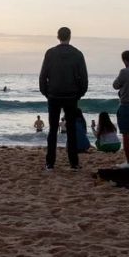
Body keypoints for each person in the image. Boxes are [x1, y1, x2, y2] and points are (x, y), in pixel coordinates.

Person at [39, 27, 88, 171]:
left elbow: (43, 76)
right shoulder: (77, 54)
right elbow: (84, 78)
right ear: (70, 37)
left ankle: (50, 163)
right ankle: (74, 163)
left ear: (58, 36)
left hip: (54, 95)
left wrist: (46, 93)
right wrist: (79, 94)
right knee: (71, 130)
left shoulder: (50, 53)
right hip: (71, 96)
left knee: (53, 129)